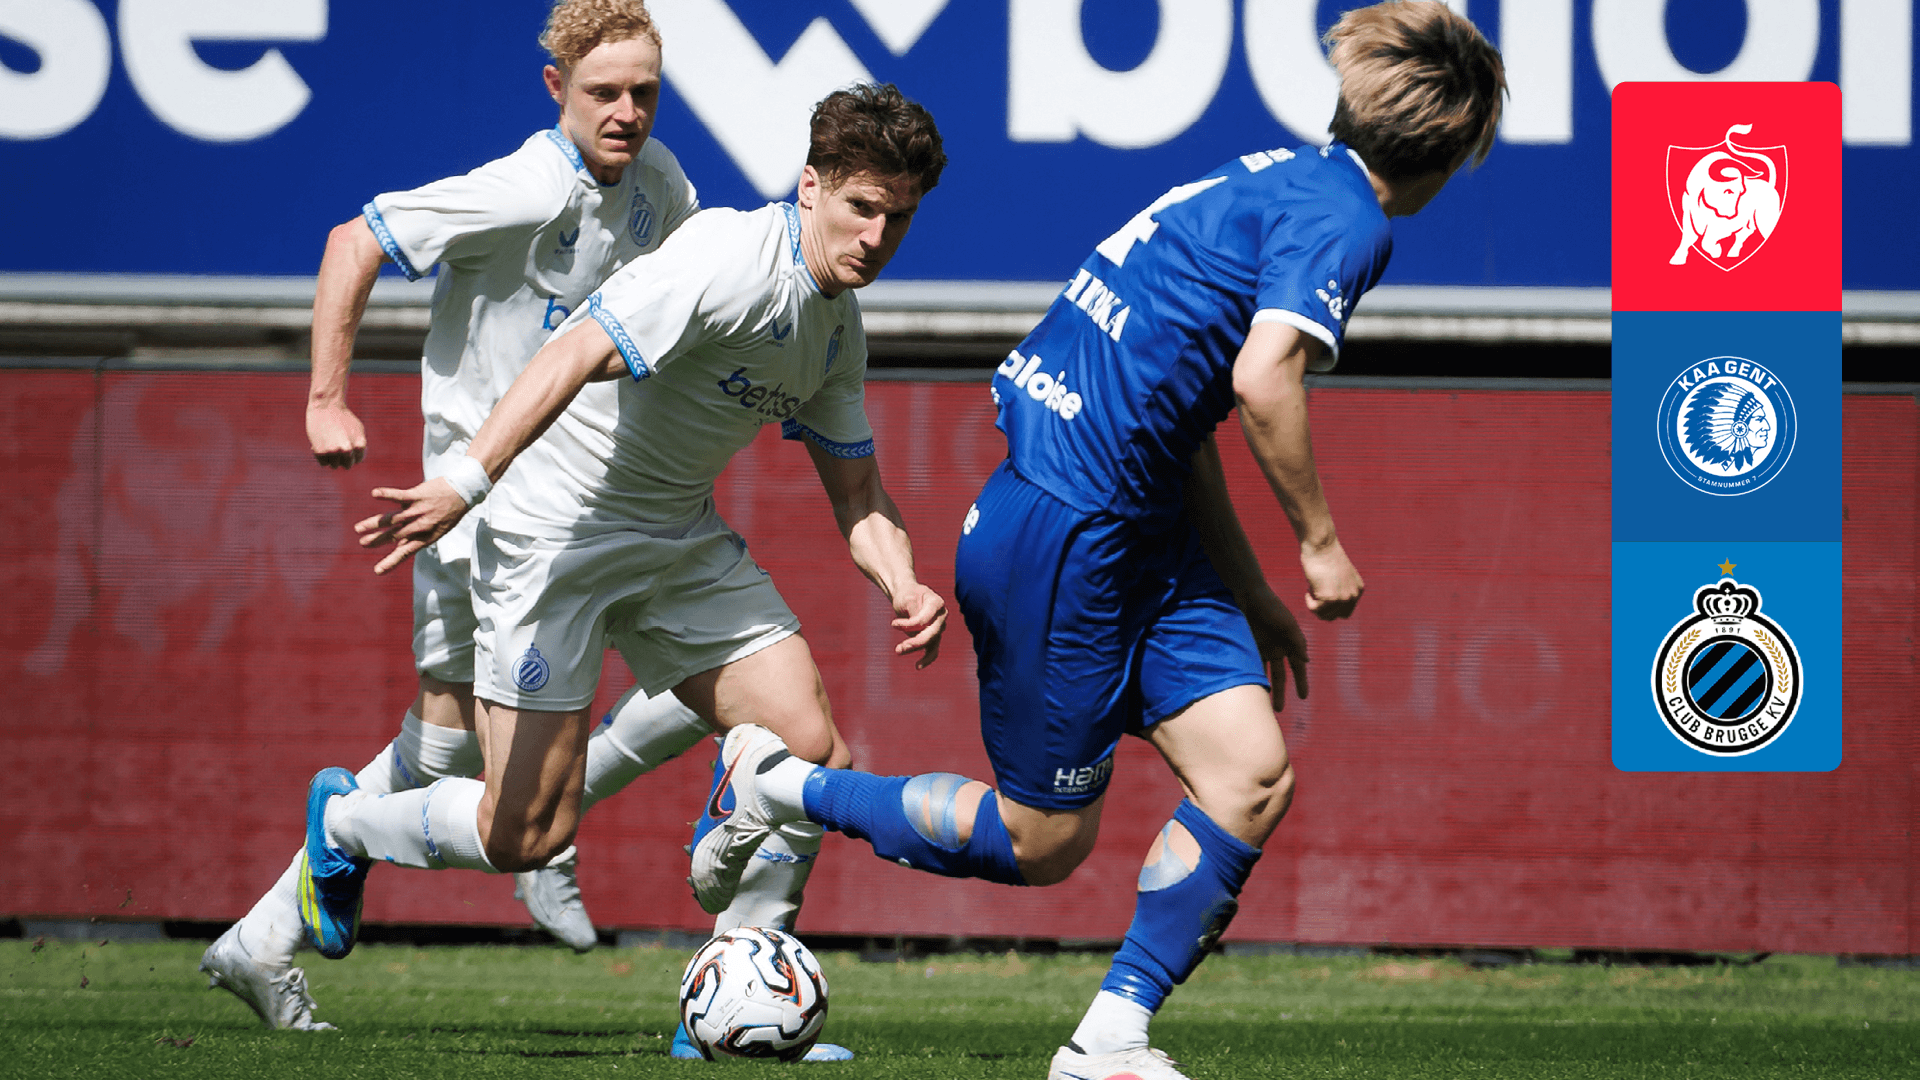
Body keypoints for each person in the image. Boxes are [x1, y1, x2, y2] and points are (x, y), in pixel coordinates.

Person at [687, 5, 1507, 1078]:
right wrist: (1317, 544)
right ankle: (776, 783)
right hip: (1067, 531)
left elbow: (1185, 413)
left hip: (1142, 524)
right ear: (1451, 152)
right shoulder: (1350, 221)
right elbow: (1263, 381)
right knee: (1043, 845)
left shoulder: (1273, 179)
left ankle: (1108, 1041)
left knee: (1252, 775)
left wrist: (1251, 593)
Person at [198, 0, 823, 1041]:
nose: (627, 113)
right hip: (491, 510)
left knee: (455, 749)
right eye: (603, 93)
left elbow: (688, 300)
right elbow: (355, 240)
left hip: (590, 498)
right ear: (555, 89)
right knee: (529, 772)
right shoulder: (527, 186)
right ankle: (497, 837)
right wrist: (325, 398)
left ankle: (263, 937)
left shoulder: (661, 184)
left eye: (644, 93)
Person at [305, 81, 948, 1054]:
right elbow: (571, 351)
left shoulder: (835, 329)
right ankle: (346, 828)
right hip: (555, 535)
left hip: (675, 538)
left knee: (809, 754)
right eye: (862, 207)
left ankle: (728, 1011)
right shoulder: (728, 258)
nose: (877, 235)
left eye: (898, 217)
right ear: (811, 187)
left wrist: (904, 583)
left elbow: (859, 495)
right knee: (525, 832)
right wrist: (468, 480)